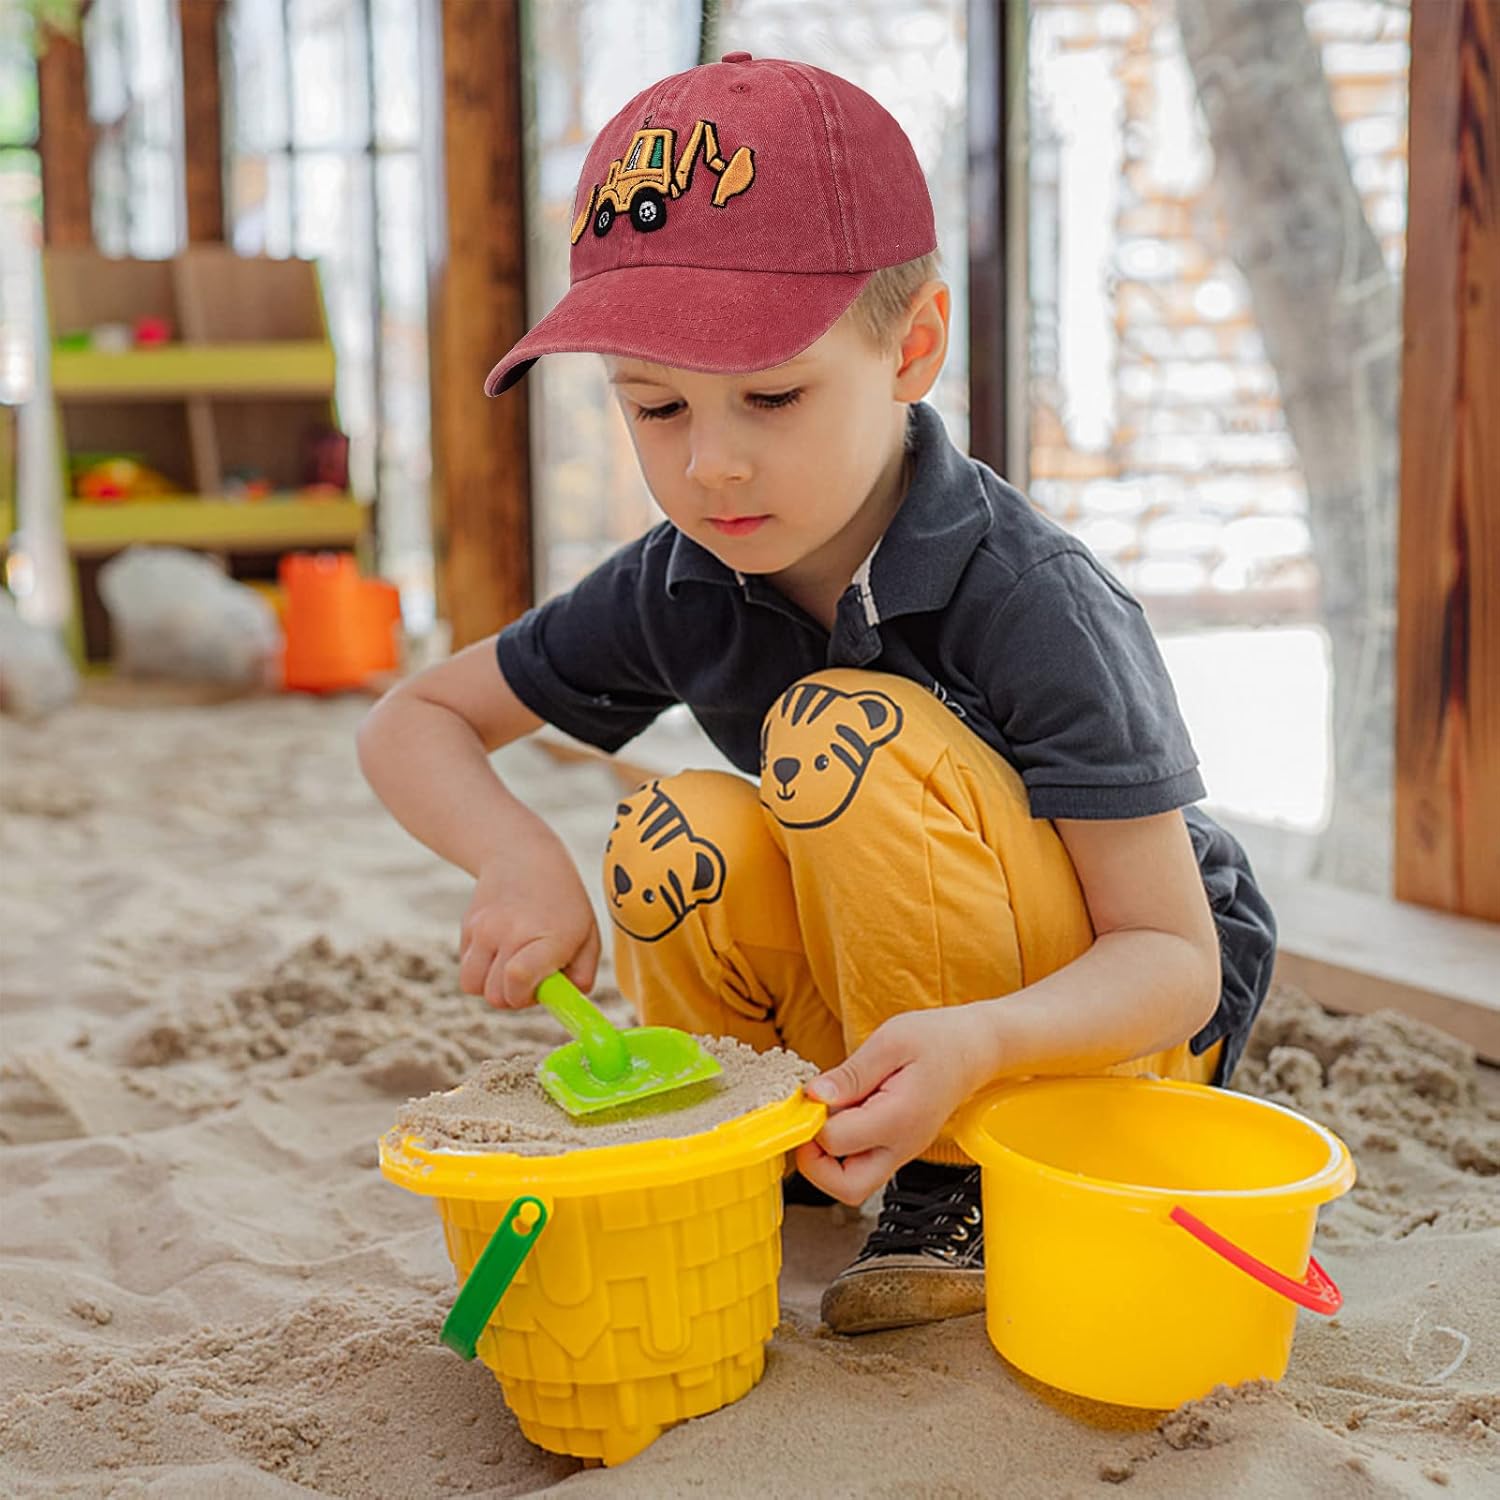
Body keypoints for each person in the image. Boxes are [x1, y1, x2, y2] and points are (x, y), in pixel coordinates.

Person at [357, 52, 1276, 1337]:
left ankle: (961, 1177)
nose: (712, 464)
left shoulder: (1031, 594)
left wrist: (982, 1044)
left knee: (837, 730)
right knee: (675, 829)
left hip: (1104, 1026)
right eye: (654, 407)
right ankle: (747, 1125)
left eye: (773, 395)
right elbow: (416, 719)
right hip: (900, 998)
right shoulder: (681, 578)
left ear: (913, 348)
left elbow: (1175, 961)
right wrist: (515, 859)